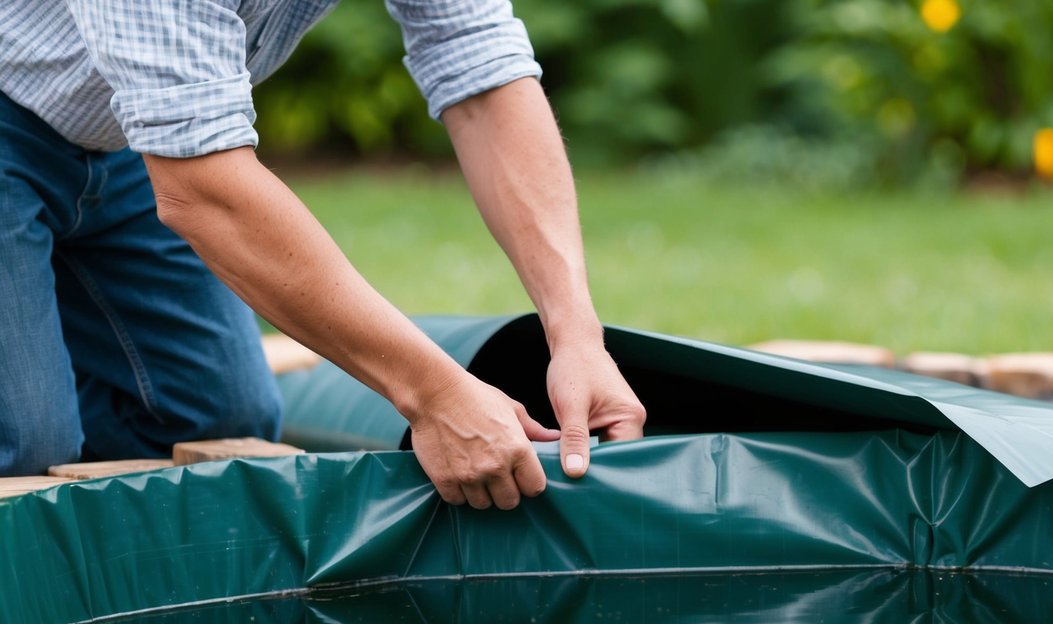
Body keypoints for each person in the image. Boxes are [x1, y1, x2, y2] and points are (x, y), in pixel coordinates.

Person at [0, 1, 646, 510]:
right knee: (27, 447)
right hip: (56, 126)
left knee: (216, 424)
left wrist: (577, 335)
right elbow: (202, 189)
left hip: (128, 133)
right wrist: (434, 394)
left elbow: (479, 69)